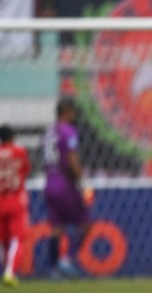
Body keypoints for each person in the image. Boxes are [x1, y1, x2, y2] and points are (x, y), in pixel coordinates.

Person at [41, 98, 92, 280]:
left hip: (49, 183)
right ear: (68, 111)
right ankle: (67, 260)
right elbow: (71, 159)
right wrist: (83, 183)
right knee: (85, 225)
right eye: (73, 112)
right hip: (65, 184)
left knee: (56, 228)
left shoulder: (49, 132)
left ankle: (54, 270)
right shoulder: (68, 131)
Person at [0, 125, 31, 288]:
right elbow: (25, 170)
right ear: (12, 137)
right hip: (16, 197)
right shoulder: (20, 152)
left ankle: (7, 270)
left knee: (3, 239)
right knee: (17, 238)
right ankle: (10, 272)